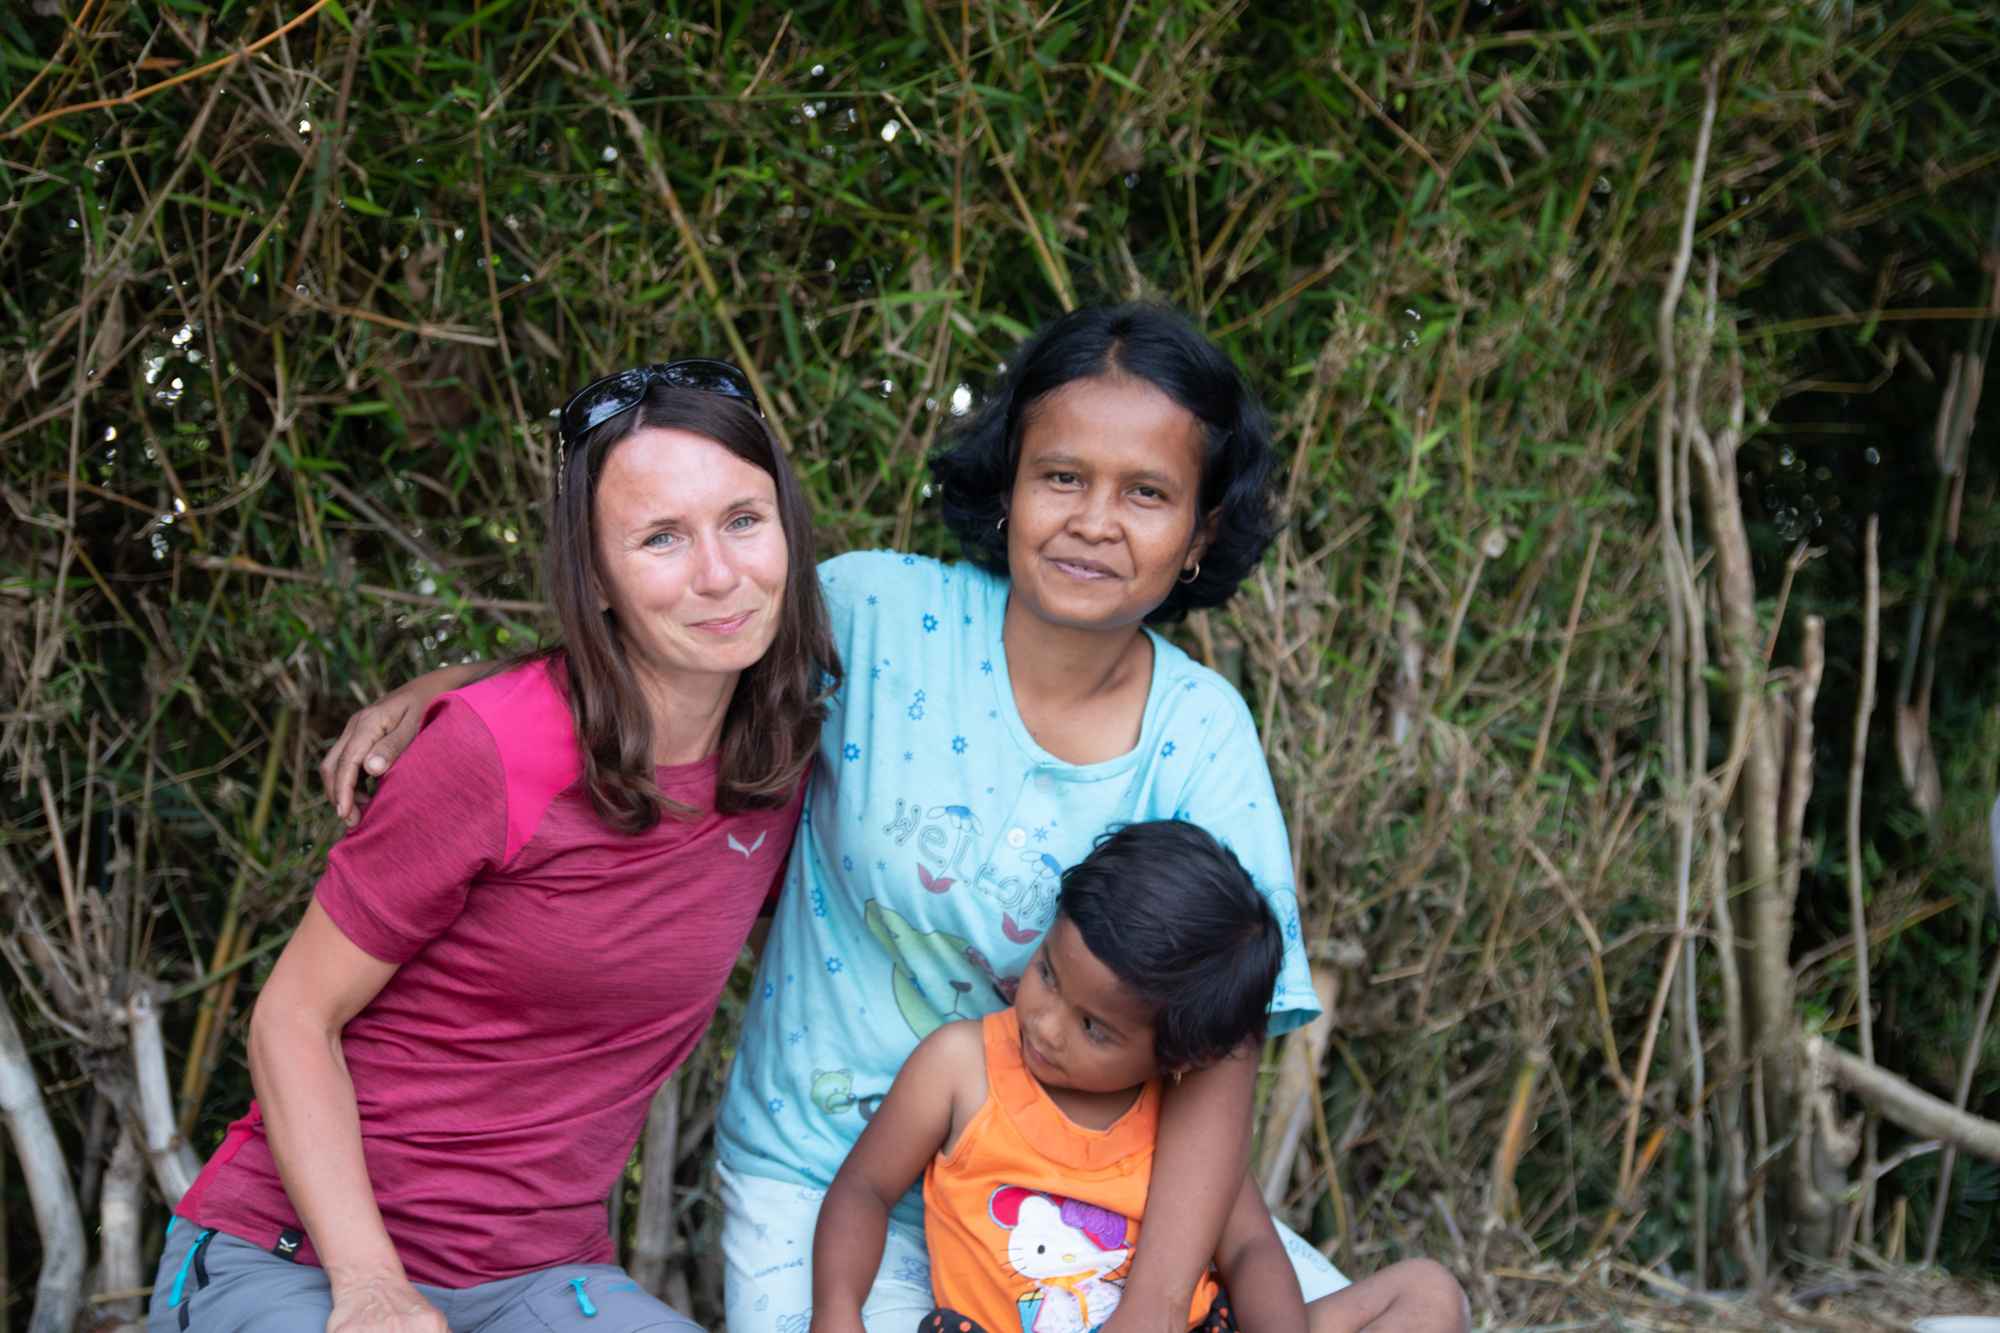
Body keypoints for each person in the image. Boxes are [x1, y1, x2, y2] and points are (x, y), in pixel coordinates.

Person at [322, 304, 1348, 1333]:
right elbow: (663, 657)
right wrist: (452, 687)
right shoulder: (875, 617)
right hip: (825, 1178)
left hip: (1092, 1194)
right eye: (1062, 476)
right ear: (1007, 484)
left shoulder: (1200, 735)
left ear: (1201, 530)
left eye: (1147, 493)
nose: (1094, 520)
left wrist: (1151, 1308)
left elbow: (1221, 1044)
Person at [149, 359, 838, 1333]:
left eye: (742, 520)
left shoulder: (785, 760)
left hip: (537, 1278)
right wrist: (372, 1286)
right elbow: (292, 1018)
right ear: (593, 575)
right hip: (301, 1254)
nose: (719, 574)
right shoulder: (494, 749)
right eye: (660, 538)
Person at [810, 821, 1468, 1333]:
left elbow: (1250, 1250)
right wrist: (837, 1309)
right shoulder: (962, 1069)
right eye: (1048, 972)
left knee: (1429, 1293)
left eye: (1094, 1027)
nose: (1045, 1025)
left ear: (1179, 1058)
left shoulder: (1181, 1124)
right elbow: (864, 1188)